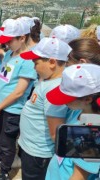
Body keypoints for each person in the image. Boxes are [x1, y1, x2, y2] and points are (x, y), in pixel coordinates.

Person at [0, 19, 37, 180]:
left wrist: (0, 106)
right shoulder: (9, 55)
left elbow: (19, 92)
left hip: (12, 109)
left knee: (7, 140)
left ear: (22, 38)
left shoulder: (27, 60)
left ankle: (5, 170)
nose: (8, 44)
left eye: (11, 40)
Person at [44, 38, 100, 180]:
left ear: (87, 99)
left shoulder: (92, 133)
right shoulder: (81, 112)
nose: (64, 102)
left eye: (67, 97)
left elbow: (79, 177)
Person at [18, 37, 72, 179]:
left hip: (39, 153)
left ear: (52, 62)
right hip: (32, 147)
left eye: (36, 63)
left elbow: (56, 134)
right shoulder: (49, 80)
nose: (33, 66)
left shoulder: (55, 89)